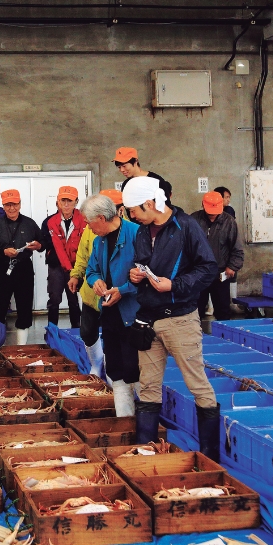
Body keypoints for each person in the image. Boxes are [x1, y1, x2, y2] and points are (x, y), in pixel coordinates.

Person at [123, 177, 221, 460]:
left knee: (197, 385)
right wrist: (135, 274)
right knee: (149, 387)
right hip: (148, 319)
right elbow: (140, 262)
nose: (132, 217)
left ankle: (209, 457)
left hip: (180, 319)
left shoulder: (186, 226)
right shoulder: (142, 231)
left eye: (135, 211)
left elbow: (208, 269)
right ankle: (146, 453)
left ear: (151, 204)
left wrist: (174, 285)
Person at [83, 193, 140, 416]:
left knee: (135, 368)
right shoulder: (99, 241)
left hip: (133, 315)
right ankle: (124, 416)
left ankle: (143, 421)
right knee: (115, 367)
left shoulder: (136, 234)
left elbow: (149, 276)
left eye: (89, 223)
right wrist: (95, 280)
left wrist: (123, 290)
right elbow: (91, 270)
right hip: (109, 314)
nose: (88, 228)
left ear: (101, 218)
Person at [69, 189, 122, 376]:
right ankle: (96, 364)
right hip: (92, 294)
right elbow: (83, 257)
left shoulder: (131, 231)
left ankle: (110, 369)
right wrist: (76, 275)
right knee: (87, 332)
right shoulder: (91, 232)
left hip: (117, 296)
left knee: (113, 334)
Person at [0, 189, 43, 345]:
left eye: (15, 204)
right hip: (1, 270)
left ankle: (21, 348)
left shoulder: (29, 223)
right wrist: (3, 252)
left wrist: (38, 245)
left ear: (20, 204)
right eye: (8, 205)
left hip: (23, 268)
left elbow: (42, 244)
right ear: (3, 205)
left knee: (25, 307)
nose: (12, 208)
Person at [192, 192, 244, 322]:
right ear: (203, 205)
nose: (213, 214)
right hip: (198, 273)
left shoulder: (229, 222)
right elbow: (185, 245)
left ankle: (224, 339)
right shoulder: (193, 220)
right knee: (195, 310)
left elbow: (237, 247)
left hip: (220, 272)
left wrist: (232, 266)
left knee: (223, 310)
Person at [41, 186, 86, 328]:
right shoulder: (50, 222)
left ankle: (77, 331)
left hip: (78, 266)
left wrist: (75, 271)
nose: (66, 204)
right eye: (63, 201)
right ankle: (52, 331)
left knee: (74, 299)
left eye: (70, 201)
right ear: (58, 202)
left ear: (76, 202)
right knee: (54, 298)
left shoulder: (84, 219)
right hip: (57, 267)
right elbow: (57, 248)